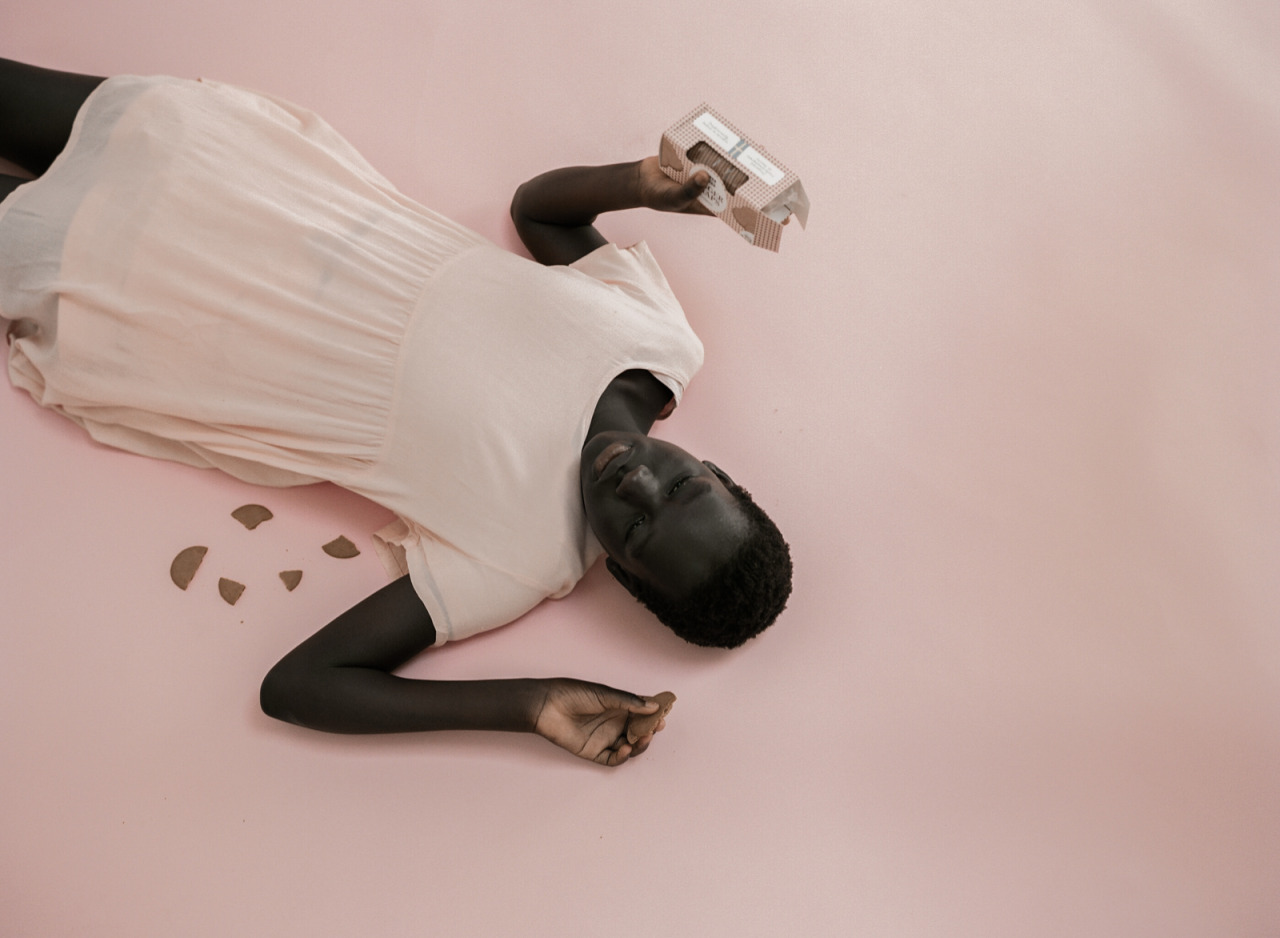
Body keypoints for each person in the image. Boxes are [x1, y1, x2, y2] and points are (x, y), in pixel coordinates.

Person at [0, 58, 792, 765]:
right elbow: (537, 212)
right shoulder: (661, 341)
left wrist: (528, 704)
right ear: (716, 472)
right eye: (682, 487)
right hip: (256, 181)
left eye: (638, 530)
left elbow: (299, 685)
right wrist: (637, 184)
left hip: (172, 299)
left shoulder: (523, 558)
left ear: (619, 571)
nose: (635, 485)